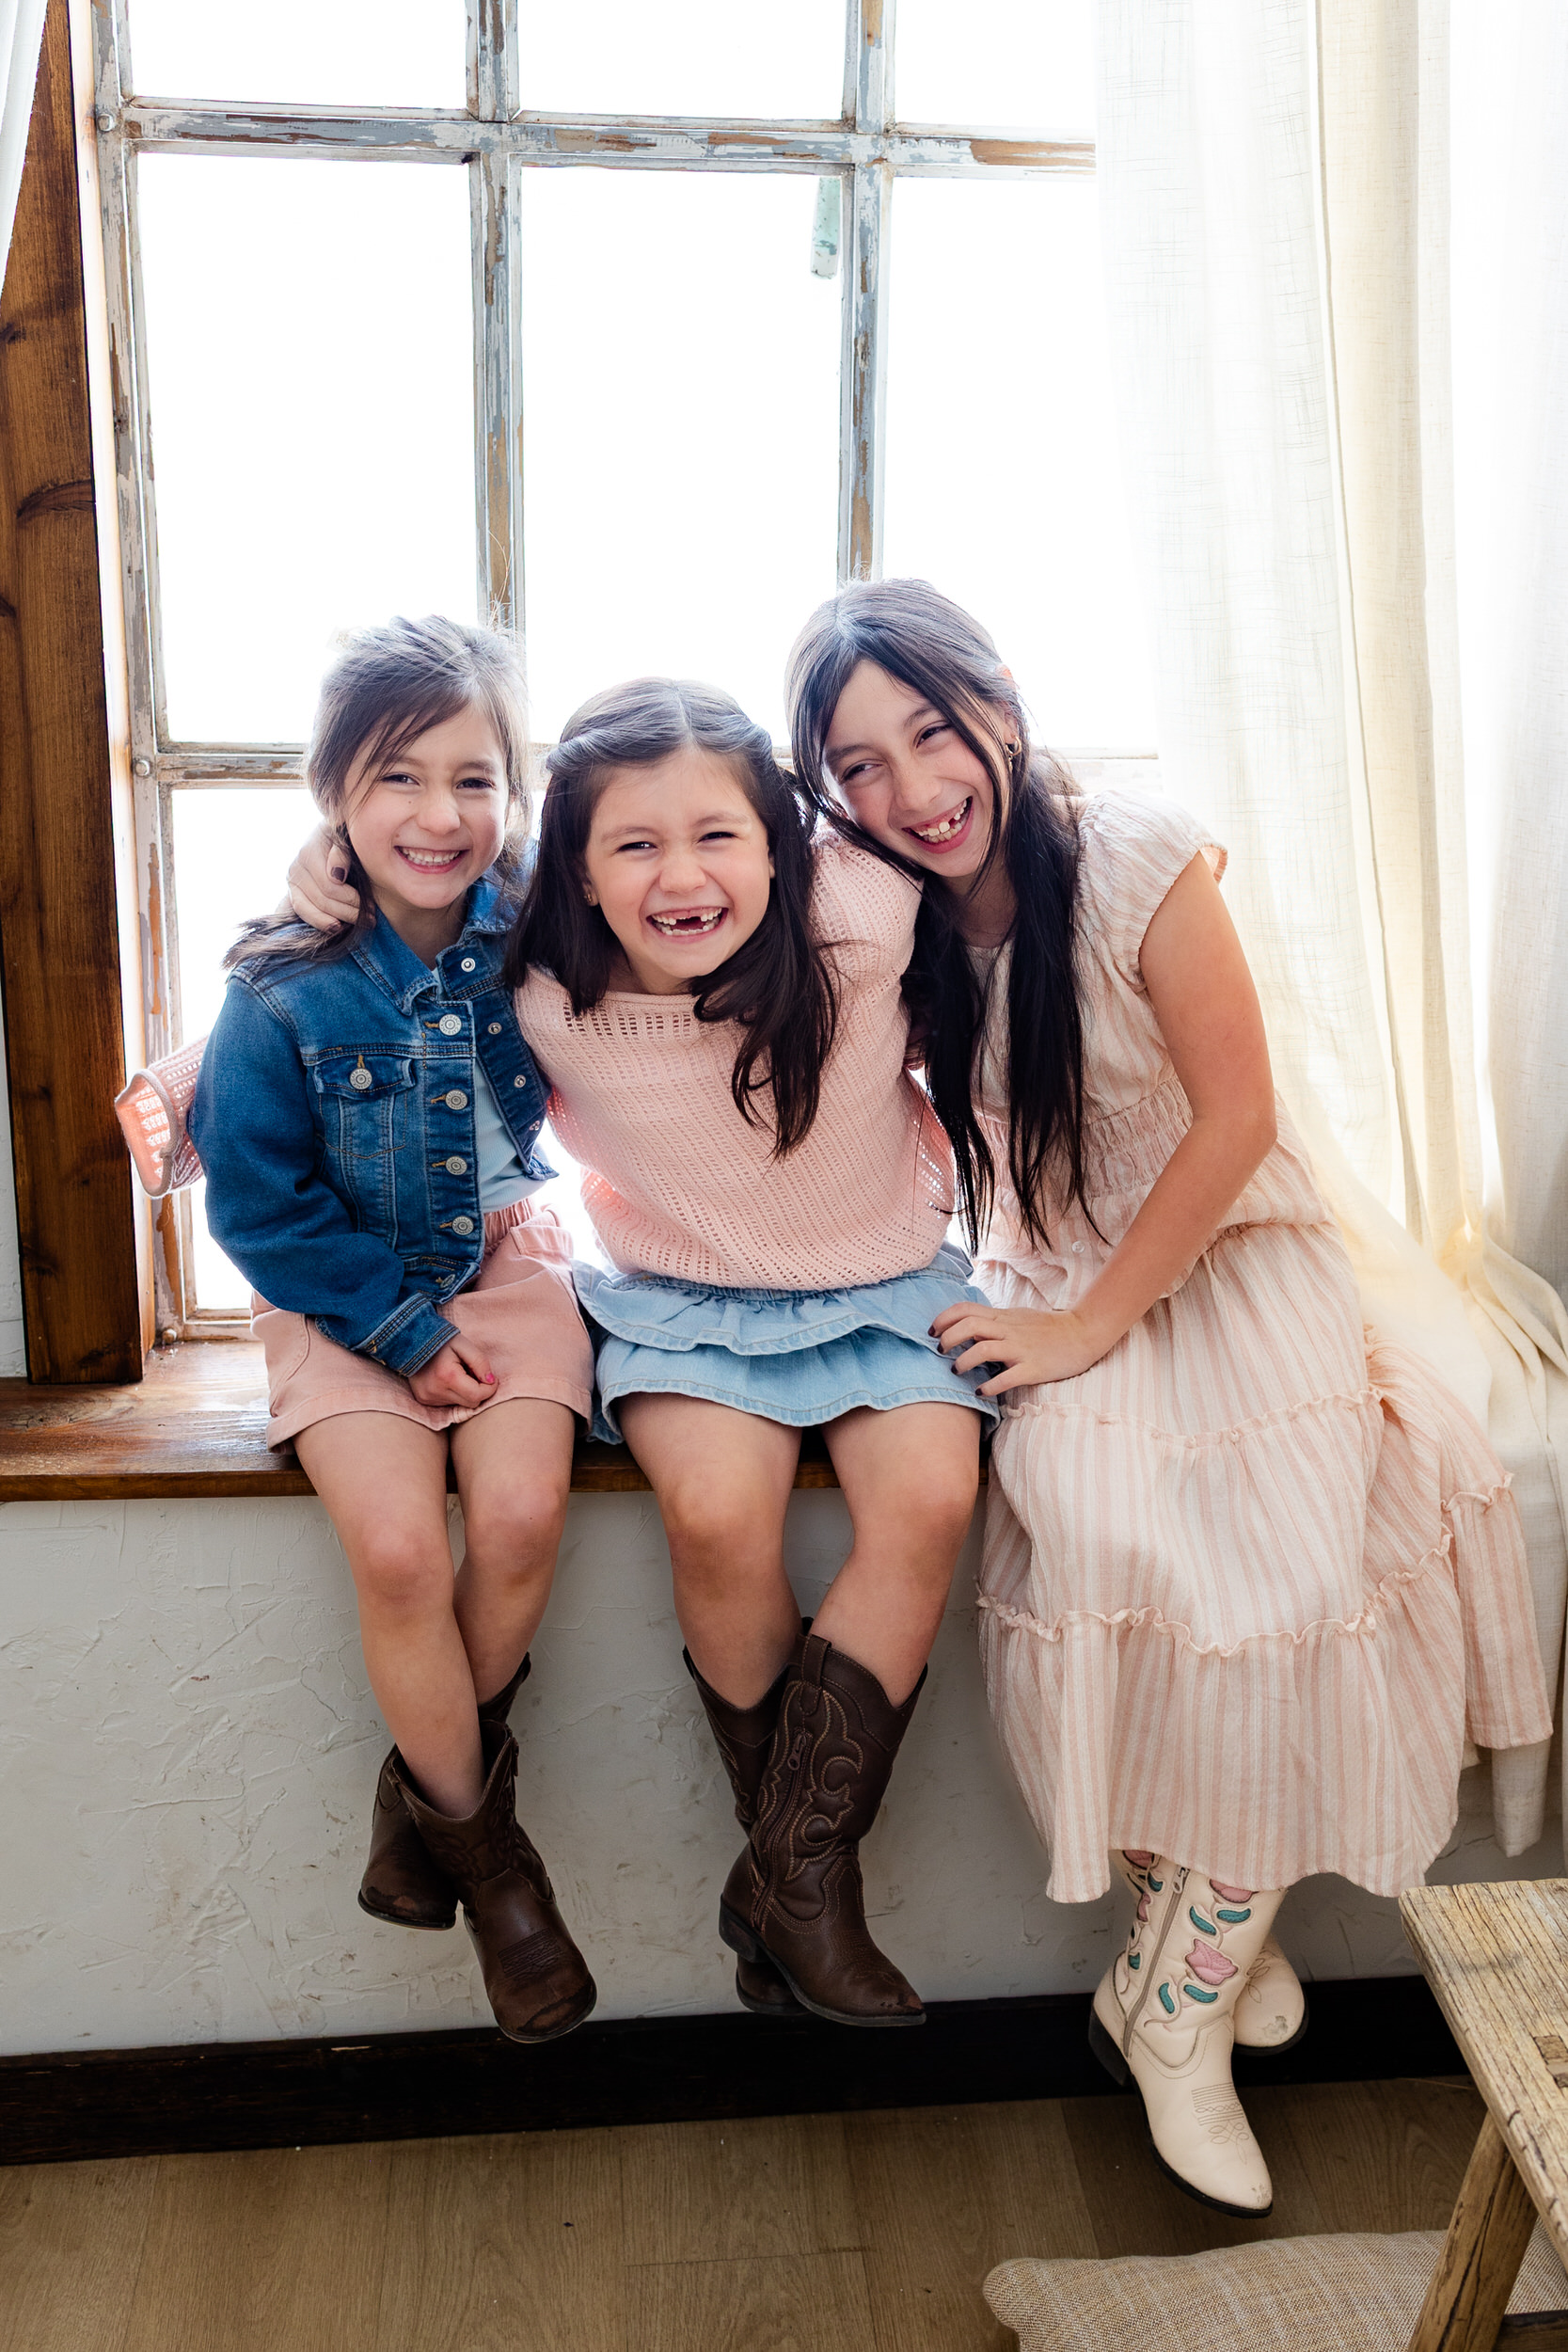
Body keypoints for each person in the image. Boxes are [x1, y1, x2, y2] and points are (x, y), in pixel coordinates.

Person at [785, 578, 1552, 2215]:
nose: (910, 789)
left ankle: (1172, 2007)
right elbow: (653, 931)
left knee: (1285, 1590)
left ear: (997, 696)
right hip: (1058, 1279)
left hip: (1230, 1258)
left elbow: (1235, 1115)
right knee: (1103, 1550)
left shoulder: (1133, 850)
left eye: (931, 731)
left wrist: (1087, 1331)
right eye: (856, 767)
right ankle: (1194, 1953)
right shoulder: (887, 917)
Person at [289, 674, 997, 2030]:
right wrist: (320, 863)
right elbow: (357, 981)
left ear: (782, 846)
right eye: (635, 846)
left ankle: (790, 1878)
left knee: (931, 1498)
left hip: (890, 1278)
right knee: (720, 1516)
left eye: (719, 836)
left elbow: (970, 833)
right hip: (678, 1300)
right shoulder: (533, 975)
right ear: (578, 869)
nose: (683, 876)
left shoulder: (860, 908)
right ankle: (799, 1881)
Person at [190, 616, 597, 2046]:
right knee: (401, 1549)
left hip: (504, 1265)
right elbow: (257, 1202)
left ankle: (418, 1810)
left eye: (473, 779)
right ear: (336, 798)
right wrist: (399, 1329)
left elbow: (697, 867)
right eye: (396, 780)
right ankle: (497, 1876)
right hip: (339, 1294)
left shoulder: (544, 917)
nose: (440, 815)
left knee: (528, 1515)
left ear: (513, 789)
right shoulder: (282, 984)